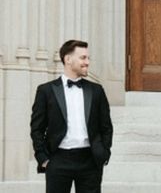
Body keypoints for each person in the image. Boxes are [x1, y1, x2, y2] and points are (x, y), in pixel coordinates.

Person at [30, 40, 113, 193]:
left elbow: (106, 126)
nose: (87, 62)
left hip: (90, 160)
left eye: (88, 58)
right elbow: (37, 129)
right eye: (83, 58)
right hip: (58, 160)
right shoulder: (46, 91)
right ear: (68, 59)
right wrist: (43, 159)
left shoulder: (97, 91)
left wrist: (104, 152)